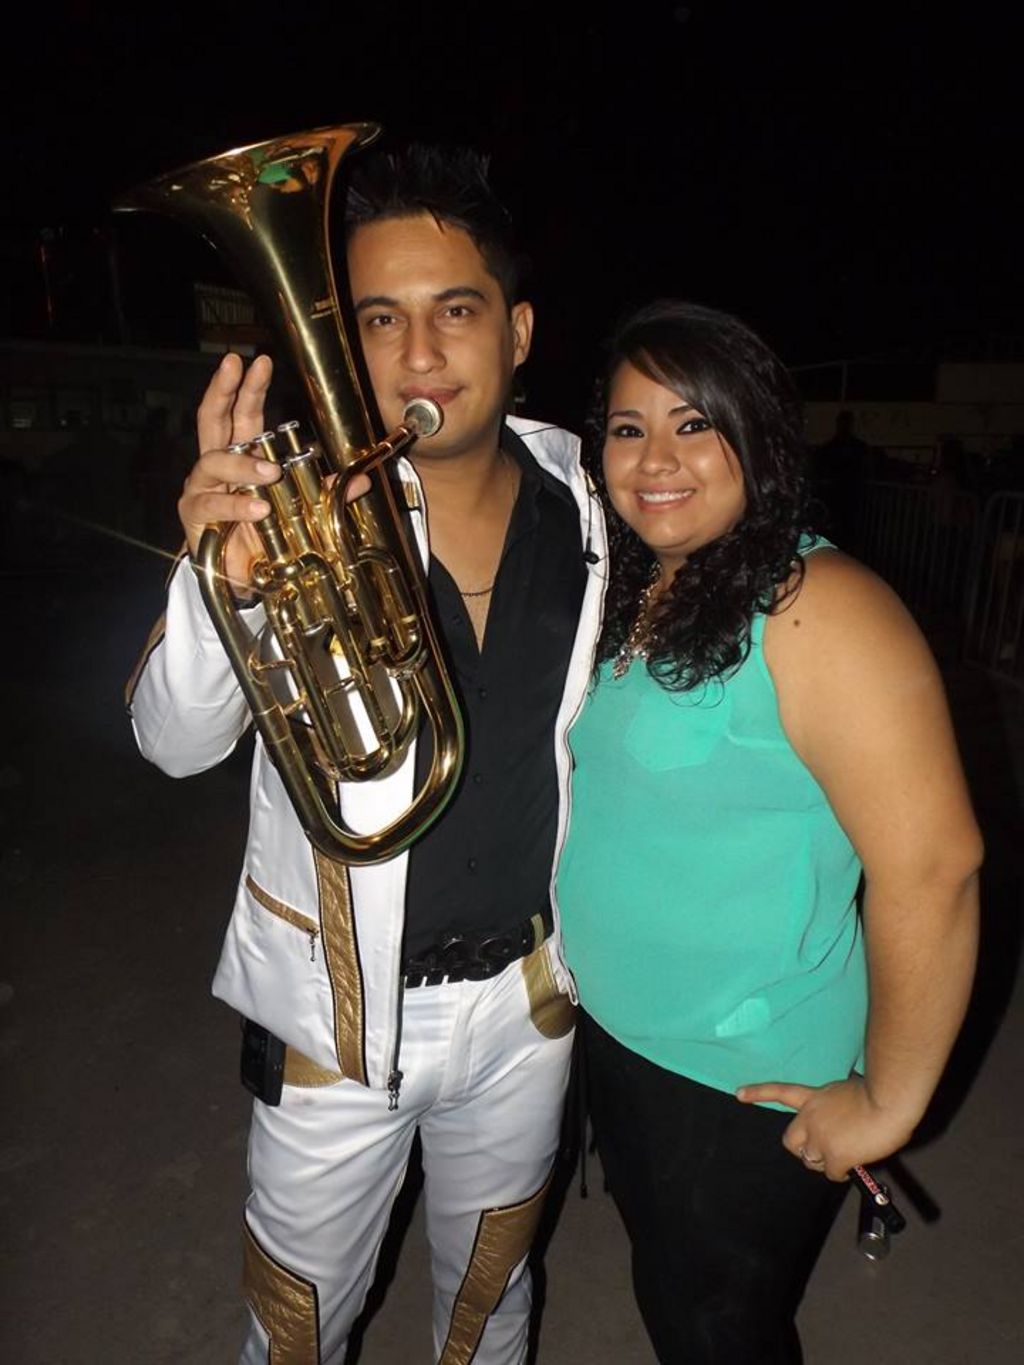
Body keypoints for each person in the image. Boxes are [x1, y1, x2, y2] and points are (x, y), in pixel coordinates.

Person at [127, 146, 607, 1364]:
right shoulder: (294, 517)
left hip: (526, 1007)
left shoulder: (589, 504)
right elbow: (173, 744)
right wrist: (219, 581)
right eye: (381, 319)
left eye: (456, 310)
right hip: (334, 1028)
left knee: (491, 1302)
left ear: (517, 333)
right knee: (294, 1332)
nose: (420, 352)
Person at [555, 300, 982, 1364]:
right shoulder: (643, 584)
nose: (656, 458)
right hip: (625, 1039)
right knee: (672, 1290)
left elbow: (935, 866)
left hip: (739, 1073)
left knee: (715, 1330)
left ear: (758, 437)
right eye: (628, 427)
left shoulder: (819, 604)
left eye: (694, 424)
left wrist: (887, 1099)